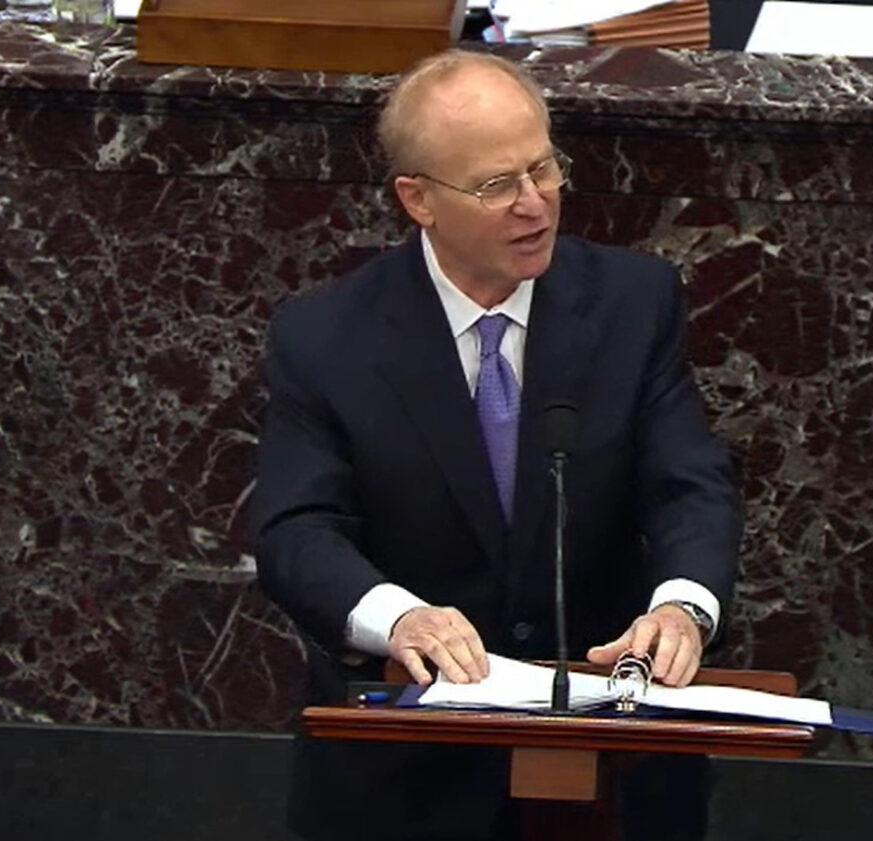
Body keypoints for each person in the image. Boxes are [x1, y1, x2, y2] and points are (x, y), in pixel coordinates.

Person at [251, 49, 741, 841]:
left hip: (606, 767)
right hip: (405, 776)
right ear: (418, 200)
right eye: (495, 185)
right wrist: (400, 619)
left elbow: (690, 482)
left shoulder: (633, 302)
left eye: (544, 168)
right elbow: (296, 529)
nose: (534, 204)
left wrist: (682, 608)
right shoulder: (324, 338)